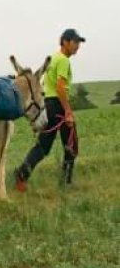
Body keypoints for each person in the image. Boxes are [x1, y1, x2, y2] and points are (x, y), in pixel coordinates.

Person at [14, 28, 86, 191]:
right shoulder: (63, 60)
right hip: (59, 106)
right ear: (65, 42)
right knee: (71, 144)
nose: (77, 46)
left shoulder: (53, 58)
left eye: (79, 43)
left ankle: (22, 174)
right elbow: (60, 87)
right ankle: (66, 182)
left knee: (43, 146)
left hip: (49, 105)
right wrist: (68, 111)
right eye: (75, 42)